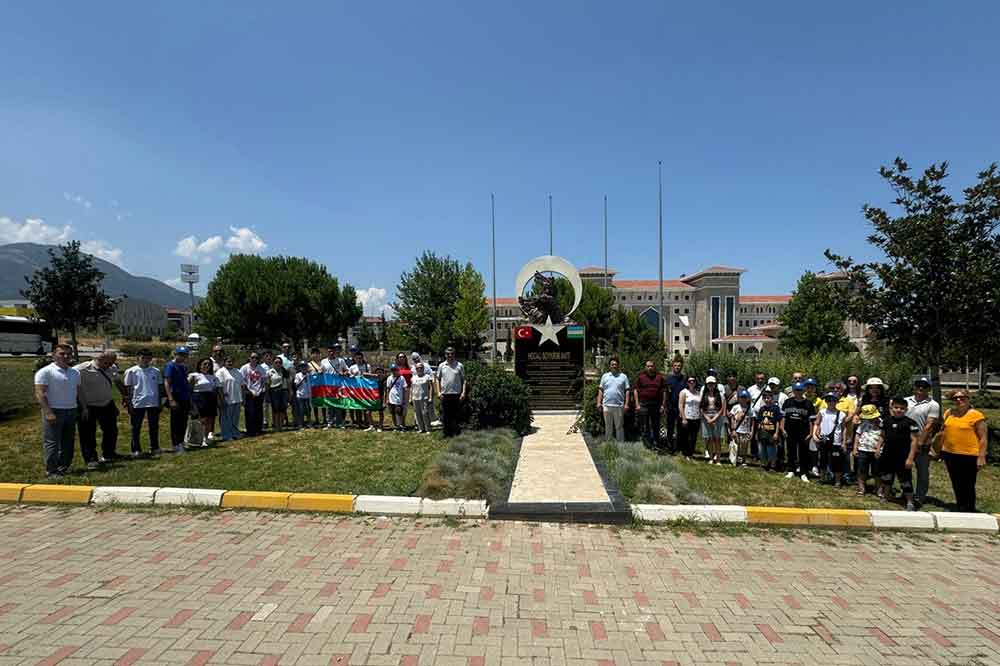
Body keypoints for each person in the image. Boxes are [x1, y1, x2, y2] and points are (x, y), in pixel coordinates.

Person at [34, 344, 85, 477]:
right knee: (52, 442)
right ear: (54, 355)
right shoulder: (45, 372)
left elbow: (79, 392)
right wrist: (48, 412)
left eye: (68, 353)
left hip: (71, 410)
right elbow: (40, 394)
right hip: (54, 411)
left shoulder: (75, 372)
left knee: (68, 441)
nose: (66, 356)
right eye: (62, 353)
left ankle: (63, 466)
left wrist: (83, 407)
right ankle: (51, 470)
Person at [935, 390, 988, 512]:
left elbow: (983, 438)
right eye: (955, 398)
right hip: (950, 453)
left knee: (968, 484)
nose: (959, 400)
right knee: (956, 482)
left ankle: (969, 509)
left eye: (962, 397)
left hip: (969, 455)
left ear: (968, 399)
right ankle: (960, 506)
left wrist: (981, 457)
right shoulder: (949, 413)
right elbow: (943, 432)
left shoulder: (976, 415)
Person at [75, 351, 126, 469]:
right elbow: (73, 386)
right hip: (88, 406)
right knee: (88, 433)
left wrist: (125, 395)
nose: (110, 365)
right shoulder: (80, 369)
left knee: (111, 430)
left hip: (107, 403)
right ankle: (91, 459)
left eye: (112, 362)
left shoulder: (112, 367)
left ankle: (109, 454)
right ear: (98, 359)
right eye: (107, 362)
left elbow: (118, 382)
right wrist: (82, 406)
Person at [906, 377, 941, 508]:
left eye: (924, 386)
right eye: (918, 385)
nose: (921, 388)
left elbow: (929, 425)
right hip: (906, 441)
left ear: (929, 388)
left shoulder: (933, 404)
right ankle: (907, 492)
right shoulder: (906, 401)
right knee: (905, 469)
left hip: (923, 442)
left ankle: (920, 496)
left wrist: (920, 442)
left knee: (922, 471)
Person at [879, 396, 919, 508]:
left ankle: (910, 501)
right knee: (887, 477)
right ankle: (886, 496)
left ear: (906, 410)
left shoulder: (910, 423)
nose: (898, 410)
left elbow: (914, 441)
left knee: (905, 480)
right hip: (887, 455)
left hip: (903, 457)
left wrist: (910, 458)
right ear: (891, 408)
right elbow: (882, 436)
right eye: (896, 407)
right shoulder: (886, 421)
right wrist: (878, 449)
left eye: (901, 408)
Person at [123, 349, 163, 457]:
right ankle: (136, 449)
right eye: (143, 357)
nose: (145, 360)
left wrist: (159, 402)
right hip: (137, 403)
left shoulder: (156, 371)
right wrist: (129, 403)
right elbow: (128, 389)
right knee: (136, 427)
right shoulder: (131, 371)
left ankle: (154, 447)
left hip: (153, 403)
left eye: (148, 358)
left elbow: (159, 388)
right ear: (138, 358)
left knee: (154, 427)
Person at [783, 382, 817, 482]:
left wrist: (810, 433)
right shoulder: (788, 402)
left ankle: (803, 473)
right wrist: (782, 429)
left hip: (803, 432)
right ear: (793, 391)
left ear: (803, 391)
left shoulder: (808, 404)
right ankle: (791, 470)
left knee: (804, 453)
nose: (798, 392)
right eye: (796, 390)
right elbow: (783, 417)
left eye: (800, 390)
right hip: (790, 431)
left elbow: (811, 420)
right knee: (790, 451)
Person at [813, 392, 847, 487]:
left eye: (833, 400)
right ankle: (822, 478)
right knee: (823, 460)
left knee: (837, 461)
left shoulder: (841, 414)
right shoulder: (822, 412)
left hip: (836, 441)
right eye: (828, 400)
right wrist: (815, 435)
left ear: (836, 401)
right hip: (824, 440)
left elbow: (844, 429)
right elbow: (817, 423)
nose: (830, 402)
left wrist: (843, 442)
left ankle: (837, 481)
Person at [633, 360, 667, 451]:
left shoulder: (660, 378)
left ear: (654, 367)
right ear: (645, 367)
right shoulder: (641, 378)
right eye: (648, 366)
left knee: (656, 425)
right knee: (645, 425)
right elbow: (636, 390)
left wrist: (663, 405)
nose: (650, 368)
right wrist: (637, 404)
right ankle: (647, 444)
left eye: (651, 366)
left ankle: (656, 444)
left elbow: (664, 392)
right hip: (644, 405)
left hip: (656, 405)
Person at [163, 346, 192, 454]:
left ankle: (181, 442)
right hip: (176, 396)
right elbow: (167, 382)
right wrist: (170, 399)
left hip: (185, 397)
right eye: (181, 354)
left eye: (185, 355)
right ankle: (176, 444)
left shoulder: (183, 367)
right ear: (175, 354)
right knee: (176, 422)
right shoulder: (170, 366)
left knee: (183, 421)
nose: (183, 357)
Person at [189, 358, 222, 447]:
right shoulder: (194, 375)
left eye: (209, 364)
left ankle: (205, 438)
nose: (207, 366)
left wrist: (219, 400)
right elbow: (189, 389)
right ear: (200, 365)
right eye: (205, 364)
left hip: (210, 399)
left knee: (209, 420)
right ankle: (196, 439)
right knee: (200, 420)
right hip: (198, 399)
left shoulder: (213, 377)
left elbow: (216, 389)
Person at [597, 357, 630, 442]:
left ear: (618, 365)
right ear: (609, 366)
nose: (614, 366)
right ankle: (608, 444)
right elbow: (601, 390)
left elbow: (627, 391)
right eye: (612, 364)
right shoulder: (605, 376)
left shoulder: (623, 376)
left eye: (615, 364)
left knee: (619, 427)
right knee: (608, 426)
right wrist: (598, 403)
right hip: (606, 406)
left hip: (619, 406)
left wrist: (626, 404)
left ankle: (620, 445)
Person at [434, 347, 465, 437]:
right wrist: (438, 392)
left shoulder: (459, 365)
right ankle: (447, 433)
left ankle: (456, 432)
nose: (450, 355)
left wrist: (463, 393)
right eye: (448, 354)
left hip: (456, 394)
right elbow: (437, 379)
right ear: (445, 355)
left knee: (456, 414)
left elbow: (464, 380)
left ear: (454, 354)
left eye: (452, 354)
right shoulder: (441, 366)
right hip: (445, 394)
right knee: (446, 415)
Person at [853, 404, 883, 496]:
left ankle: (878, 489)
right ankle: (861, 489)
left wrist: (878, 449)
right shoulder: (863, 423)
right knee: (862, 471)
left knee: (877, 472)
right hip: (863, 450)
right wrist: (855, 448)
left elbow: (883, 437)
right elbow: (858, 435)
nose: (870, 419)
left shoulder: (882, 424)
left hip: (876, 451)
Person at [215, 356, 244, 441]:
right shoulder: (220, 372)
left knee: (235, 418)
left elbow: (242, 385)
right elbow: (219, 387)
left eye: (231, 361)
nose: (230, 363)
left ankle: (234, 433)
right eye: (228, 361)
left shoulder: (237, 371)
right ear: (224, 362)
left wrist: (243, 398)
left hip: (237, 398)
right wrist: (222, 399)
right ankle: (226, 435)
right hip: (227, 399)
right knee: (225, 418)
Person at [755, 390, 783, 472]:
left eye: (768, 398)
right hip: (762, 432)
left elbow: (778, 421)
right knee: (762, 450)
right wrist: (757, 433)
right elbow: (759, 422)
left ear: (772, 398)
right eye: (765, 398)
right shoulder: (762, 409)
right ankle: (765, 464)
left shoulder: (775, 408)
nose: (767, 400)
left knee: (771, 450)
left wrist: (776, 433)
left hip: (772, 433)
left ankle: (773, 465)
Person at [321, 344, 348, 429]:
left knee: (338, 404)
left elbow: (347, 370)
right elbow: (321, 372)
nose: (331, 353)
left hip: (338, 386)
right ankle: (329, 422)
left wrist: (343, 373)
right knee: (329, 405)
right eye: (329, 351)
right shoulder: (323, 361)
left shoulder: (340, 361)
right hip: (328, 386)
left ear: (335, 352)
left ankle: (339, 422)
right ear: (327, 352)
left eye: (332, 351)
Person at [700, 377, 725, 464]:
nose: (711, 385)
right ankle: (711, 458)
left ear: (715, 385)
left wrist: (714, 419)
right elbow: (701, 408)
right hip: (706, 418)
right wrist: (707, 418)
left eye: (713, 383)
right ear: (706, 385)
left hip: (717, 418)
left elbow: (722, 408)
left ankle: (718, 459)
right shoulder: (704, 394)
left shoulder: (720, 395)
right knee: (710, 439)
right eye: (709, 383)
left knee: (717, 439)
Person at [240, 352, 266, 436]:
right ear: (249, 358)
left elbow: (263, 380)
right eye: (252, 357)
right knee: (250, 412)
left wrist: (260, 390)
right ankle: (250, 430)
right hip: (248, 393)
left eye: (256, 358)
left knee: (259, 412)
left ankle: (258, 429)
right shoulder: (244, 368)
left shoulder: (261, 368)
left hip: (259, 393)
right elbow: (242, 381)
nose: (254, 359)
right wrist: (250, 391)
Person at [664, 358, 686, 454]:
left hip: (682, 408)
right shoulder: (668, 378)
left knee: (680, 428)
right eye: (675, 366)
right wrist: (664, 406)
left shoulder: (685, 379)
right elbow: (665, 393)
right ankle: (669, 447)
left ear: (681, 367)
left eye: (679, 366)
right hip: (670, 407)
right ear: (672, 366)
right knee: (670, 428)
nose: (677, 367)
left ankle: (679, 447)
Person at [727, 389, 753, 466]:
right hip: (737, 430)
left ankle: (743, 461)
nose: (743, 399)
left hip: (746, 430)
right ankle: (734, 460)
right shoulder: (735, 407)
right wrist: (733, 429)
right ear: (739, 398)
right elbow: (732, 418)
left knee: (744, 447)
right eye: (742, 397)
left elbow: (752, 421)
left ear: (748, 398)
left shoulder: (750, 408)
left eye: (745, 397)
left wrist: (751, 431)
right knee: (735, 445)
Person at [677, 376, 701, 458]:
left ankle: (691, 453)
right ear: (687, 382)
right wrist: (683, 418)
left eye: (693, 381)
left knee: (694, 437)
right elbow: (680, 405)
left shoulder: (698, 393)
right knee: (685, 437)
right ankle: (685, 453)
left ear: (695, 382)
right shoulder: (684, 392)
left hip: (697, 418)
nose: (691, 382)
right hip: (687, 417)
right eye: (689, 381)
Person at [349, 350, 373, 430]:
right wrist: (352, 375)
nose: (359, 359)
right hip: (356, 389)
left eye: (360, 358)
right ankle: (358, 422)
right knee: (357, 406)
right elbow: (349, 377)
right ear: (355, 359)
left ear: (362, 358)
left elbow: (370, 376)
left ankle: (366, 422)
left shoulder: (367, 366)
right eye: (357, 358)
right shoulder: (352, 367)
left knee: (365, 406)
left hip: (365, 388)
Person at [411, 361, 434, 434]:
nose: (419, 369)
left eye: (421, 368)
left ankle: (428, 429)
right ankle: (421, 428)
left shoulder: (427, 376)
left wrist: (430, 397)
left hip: (424, 398)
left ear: (423, 368)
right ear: (416, 369)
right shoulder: (413, 377)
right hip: (415, 398)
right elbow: (412, 388)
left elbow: (431, 387)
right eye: (417, 368)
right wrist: (410, 398)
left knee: (425, 413)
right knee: (418, 414)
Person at [384, 364, 409, 431]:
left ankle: (401, 425)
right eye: (392, 370)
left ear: (398, 370)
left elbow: (405, 388)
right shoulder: (389, 378)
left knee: (399, 413)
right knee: (393, 413)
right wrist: (387, 399)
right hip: (391, 398)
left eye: (395, 370)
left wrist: (405, 399)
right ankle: (396, 426)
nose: (394, 371)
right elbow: (388, 389)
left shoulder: (401, 378)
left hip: (398, 398)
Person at [267, 358, 289, 431]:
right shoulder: (270, 372)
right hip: (274, 391)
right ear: (273, 363)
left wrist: (289, 391)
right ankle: (276, 426)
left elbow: (288, 382)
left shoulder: (284, 371)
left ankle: (281, 426)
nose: (278, 364)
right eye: (276, 362)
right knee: (275, 410)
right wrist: (267, 394)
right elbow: (268, 383)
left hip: (283, 391)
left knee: (282, 409)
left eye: (279, 362)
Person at [292, 361, 312, 429]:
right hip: (300, 395)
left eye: (305, 366)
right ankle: (301, 424)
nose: (304, 368)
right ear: (300, 368)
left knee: (308, 409)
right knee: (301, 410)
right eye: (302, 366)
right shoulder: (298, 375)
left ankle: (309, 423)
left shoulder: (309, 375)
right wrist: (303, 380)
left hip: (307, 395)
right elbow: (296, 385)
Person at [307, 348, 324, 427]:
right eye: (313, 353)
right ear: (311, 355)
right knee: (315, 403)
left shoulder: (322, 363)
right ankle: (316, 419)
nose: (315, 355)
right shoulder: (309, 364)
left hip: (322, 386)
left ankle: (324, 418)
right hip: (313, 386)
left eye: (317, 353)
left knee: (323, 403)